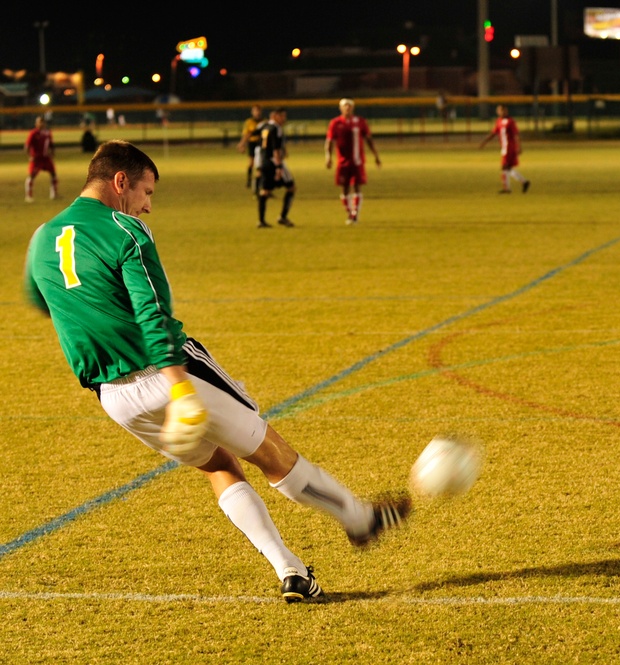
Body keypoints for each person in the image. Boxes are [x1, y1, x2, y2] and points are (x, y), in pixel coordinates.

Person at [23, 140, 412, 603]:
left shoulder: (43, 236)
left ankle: (291, 571)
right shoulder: (125, 230)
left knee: (217, 464)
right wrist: (180, 388)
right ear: (120, 182)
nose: (147, 206)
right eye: (146, 192)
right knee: (269, 451)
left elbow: (41, 298)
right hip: (166, 375)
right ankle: (357, 517)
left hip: (113, 397)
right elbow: (153, 315)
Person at [325, 98, 381, 225]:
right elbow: (329, 141)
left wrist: (376, 156)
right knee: (344, 188)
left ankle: (355, 213)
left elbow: (369, 140)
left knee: (357, 186)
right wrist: (328, 157)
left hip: (358, 161)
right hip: (343, 162)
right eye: (345, 106)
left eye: (349, 106)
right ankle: (349, 213)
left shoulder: (360, 122)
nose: (347, 108)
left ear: (353, 108)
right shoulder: (335, 123)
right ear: (340, 108)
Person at [256, 108, 295, 229]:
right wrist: (278, 166)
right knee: (291, 188)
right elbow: (275, 149)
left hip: (264, 161)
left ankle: (261, 221)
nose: (284, 119)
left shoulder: (265, 126)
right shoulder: (276, 128)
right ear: (275, 116)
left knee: (265, 191)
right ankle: (282, 217)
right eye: (282, 116)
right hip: (274, 162)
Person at [479, 104, 530, 194]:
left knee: (504, 167)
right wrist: (484, 142)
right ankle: (524, 182)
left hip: (509, 148)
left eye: (501, 110)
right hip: (504, 148)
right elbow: (493, 133)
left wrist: (519, 147)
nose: (499, 112)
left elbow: (516, 135)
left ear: (505, 111)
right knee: (508, 168)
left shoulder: (510, 121)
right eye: (498, 110)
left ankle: (507, 188)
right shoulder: (499, 121)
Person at [25, 115, 58, 203]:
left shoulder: (47, 133)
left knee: (53, 174)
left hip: (46, 158)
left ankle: (54, 194)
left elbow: (51, 144)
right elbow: (27, 146)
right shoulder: (33, 133)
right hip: (37, 159)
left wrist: (52, 153)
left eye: (43, 122)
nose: (42, 124)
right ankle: (29, 195)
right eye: (40, 122)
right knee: (32, 176)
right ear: (36, 123)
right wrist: (30, 156)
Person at [237, 104, 264, 190]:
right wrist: (242, 144)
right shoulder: (249, 122)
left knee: (261, 164)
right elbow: (246, 134)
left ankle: (260, 182)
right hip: (252, 143)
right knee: (251, 163)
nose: (257, 112)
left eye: (258, 110)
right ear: (252, 112)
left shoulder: (264, 121)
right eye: (255, 111)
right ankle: (249, 181)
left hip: (261, 143)